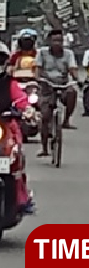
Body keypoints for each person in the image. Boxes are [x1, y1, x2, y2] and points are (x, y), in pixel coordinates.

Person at [0, 41, 35, 214]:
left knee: (16, 159)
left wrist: (27, 110)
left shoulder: (9, 83)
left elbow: (21, 99)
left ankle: (22, 199)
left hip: (6, 127)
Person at [36, 29, 79, 157]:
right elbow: (38, 69)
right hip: (47, 86)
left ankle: (66, 120)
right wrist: (38, 79)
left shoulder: (68, 54)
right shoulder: (42, 53)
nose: (57, 43)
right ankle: (44, 148)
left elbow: (72, 69)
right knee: (45, 117)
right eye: (54, 40)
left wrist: (77, 79)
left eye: (60, 40)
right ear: (49, 41)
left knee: (72, 92)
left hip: (63, 84)